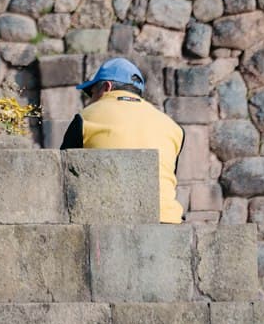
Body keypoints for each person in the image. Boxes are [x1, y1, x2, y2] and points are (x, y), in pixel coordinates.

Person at [60, 56, 184, 224]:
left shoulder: (85, 118)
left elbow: (63, 179)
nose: (90, 99)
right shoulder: (173, 127)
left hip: (107, 223)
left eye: (92, 92)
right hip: (166, 221)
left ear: (106, 87)